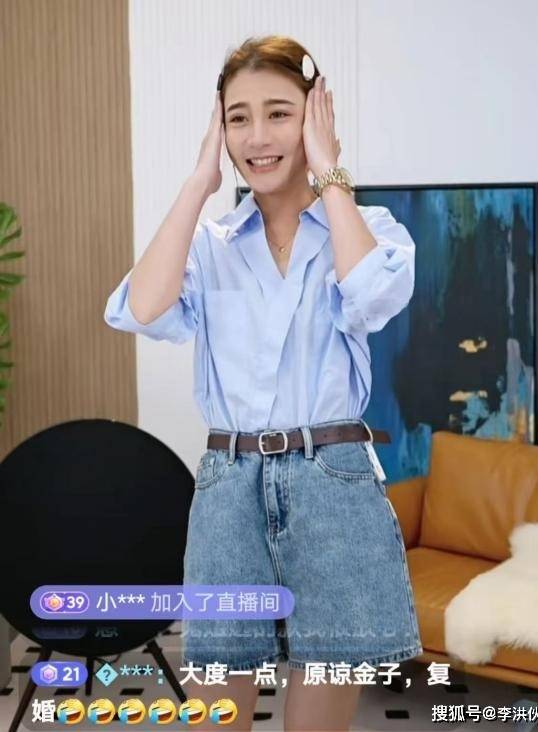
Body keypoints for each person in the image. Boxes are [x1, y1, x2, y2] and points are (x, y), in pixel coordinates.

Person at [104, 34, 422, 732]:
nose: (258, 137)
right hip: (230, 486)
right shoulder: (209, 245)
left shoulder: (367, 228)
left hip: (334, 482)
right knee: (216, 713)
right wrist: (198, 183)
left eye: (279, 113)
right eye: (238, 118)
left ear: (315, 116)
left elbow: (372, 295)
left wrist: (330, 172)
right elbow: (140, 308)